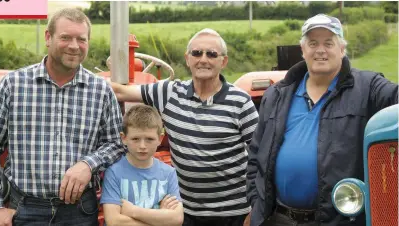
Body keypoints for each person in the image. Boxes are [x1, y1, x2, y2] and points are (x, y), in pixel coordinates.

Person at [0, 8, 126, 226]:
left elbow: (115, 144)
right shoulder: (13, 85)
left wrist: (88, 164)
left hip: (79, 212)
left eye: (81, 39)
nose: (74, 46)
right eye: (65, 37)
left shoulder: (101, 91)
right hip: (24, 210)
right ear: (48, 37)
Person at [246, 13, 398, 226]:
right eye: (313, 43)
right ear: (303, 50)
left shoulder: (368, 87)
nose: (320, 50)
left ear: (342, 49)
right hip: (278, 218)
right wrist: (256, 201)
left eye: (329, 43)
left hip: (337, 220)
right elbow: (255, 155)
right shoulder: (277, 94)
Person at [110, 28, 258, 226]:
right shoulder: (170, 93)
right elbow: (120, 91)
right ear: (187, 59)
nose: (203, 59)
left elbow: (262, 156)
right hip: (186, 213)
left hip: (234, 213)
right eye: (197, 53)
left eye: (211, 54)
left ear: (223, 61)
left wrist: (255, 209)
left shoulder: (240, 101)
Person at [100, 104, 184, 226]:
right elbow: (114, 221)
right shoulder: (113, 172)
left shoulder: (168, 173)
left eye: (149, 139)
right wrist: (160, 218)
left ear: (160, 138)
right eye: (135, 139)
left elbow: (177, 219)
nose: (142, 146)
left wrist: (133, 211)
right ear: (124, 138)